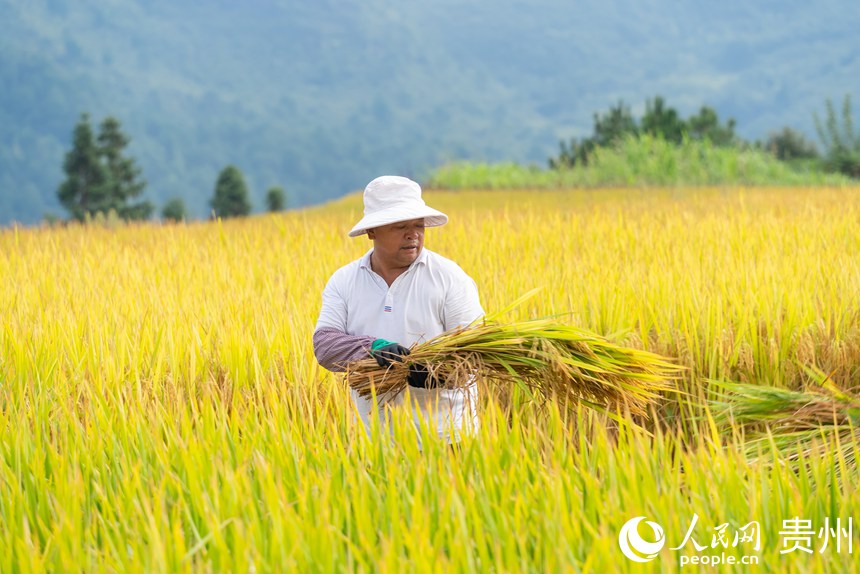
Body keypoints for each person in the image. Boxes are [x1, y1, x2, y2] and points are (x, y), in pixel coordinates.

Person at [313, 175, 484, 445]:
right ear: (372, 231)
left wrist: (437, 372)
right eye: (400, 226)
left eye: (418, 225)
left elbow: (476, 353)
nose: (413, 234)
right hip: (374, 443)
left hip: (447, 440)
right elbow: (325, 346)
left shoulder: (450, 278)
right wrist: (373, 348)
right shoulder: (344, 281)